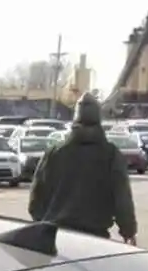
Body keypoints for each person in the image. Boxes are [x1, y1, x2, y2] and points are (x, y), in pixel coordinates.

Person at [26, 94, 137, 244]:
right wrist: (128, 231)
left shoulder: (54, 153)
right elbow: (122, 198)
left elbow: (35, 199)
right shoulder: (110, 155)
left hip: (56, 237)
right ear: (98, 120)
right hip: (94, 238)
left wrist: (44, 222)